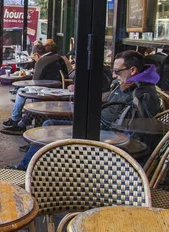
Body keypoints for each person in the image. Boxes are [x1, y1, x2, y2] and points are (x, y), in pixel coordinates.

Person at [14, 51, 161, 170]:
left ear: (133, 70)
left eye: (117, 71)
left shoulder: (142, 93)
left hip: (106, 135)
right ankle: (31, 167)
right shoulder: (124, 84)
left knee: (49, 127)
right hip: (98, 125)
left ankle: (26, 169)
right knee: (49, 123)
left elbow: (142, 129)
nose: (114, 75)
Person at [2, 43, 67, 131]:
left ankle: (15, 119)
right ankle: (22, 122)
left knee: (21, 92)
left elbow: (35, 81)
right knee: (25, 92)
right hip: (60, 88)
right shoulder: (58, 57)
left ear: (36, 55)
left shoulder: (41, 61)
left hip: (46, 90)